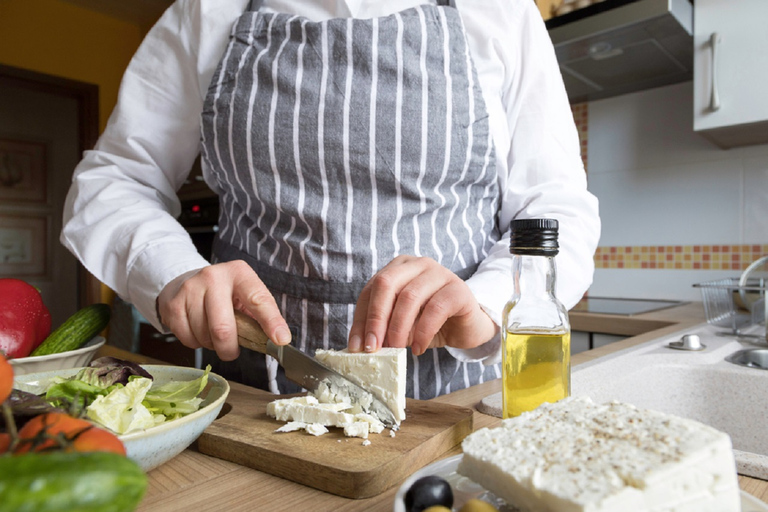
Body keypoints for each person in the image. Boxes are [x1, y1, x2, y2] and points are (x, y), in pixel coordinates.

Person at [61, 0, 600, 399]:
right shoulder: (209, 10)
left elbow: (553, 208)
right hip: (256, 389)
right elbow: (114, 180)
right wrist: (172, 272)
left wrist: (486, 304)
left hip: (457, 394)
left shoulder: (499, 11)